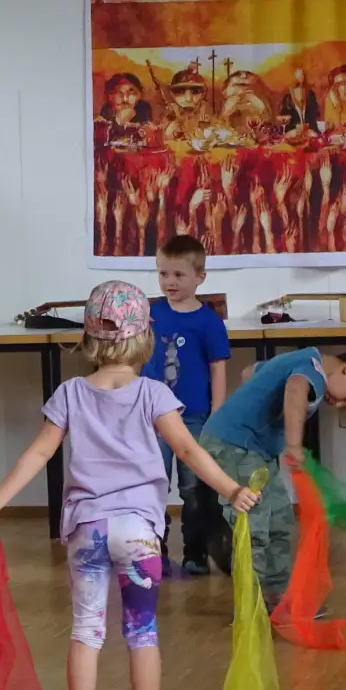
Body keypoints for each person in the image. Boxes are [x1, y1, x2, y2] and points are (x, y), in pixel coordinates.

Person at [0, 281, 259, 690]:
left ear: (90, 338)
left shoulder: (70, 393)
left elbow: (40, 453)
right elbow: (188, 451)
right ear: (146, 337)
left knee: (86, 631)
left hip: (87, 528)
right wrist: (230, 489)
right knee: (141, 632)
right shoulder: (154, 393)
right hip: (138, 530)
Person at [200, 347, 346, 608]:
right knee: (255, 524)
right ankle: (251, 605)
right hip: (233, 444)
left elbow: (248, 373)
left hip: (254, 450)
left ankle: (278, 596)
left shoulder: (300, 359)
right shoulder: (313, 370)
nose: (341, 405)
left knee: (280, 520)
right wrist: (293, 445)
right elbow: (296, 389)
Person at [142, 235, 231, 575]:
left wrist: (216, 415)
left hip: (194, 418)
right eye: (163, 274)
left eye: (178, 275)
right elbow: (135, 359)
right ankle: (155, 550)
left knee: (194, 488)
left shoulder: (208, 321)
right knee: (153, 483)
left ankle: (195, 552)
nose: (169, 282)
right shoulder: (150, 315)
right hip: (152, 418)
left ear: (199, 277)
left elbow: (218, 368)